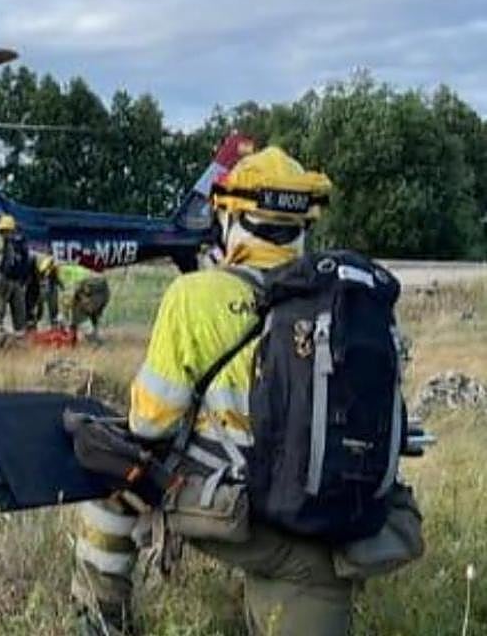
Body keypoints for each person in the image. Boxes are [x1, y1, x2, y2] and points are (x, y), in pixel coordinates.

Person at [68, 145, 421, 636]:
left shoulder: (195, 295)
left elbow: (149, 424)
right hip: (337, 530)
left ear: (230, 218)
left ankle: (99, 621)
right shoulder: (356, 301)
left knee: (110, 474)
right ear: (305, 225)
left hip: (240, 517)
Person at [0, 214, 31, 339]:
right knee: (20, 317)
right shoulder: (21, 243)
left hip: (2, 280)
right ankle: (21, 343)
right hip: (18, 283)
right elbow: (27, 262)